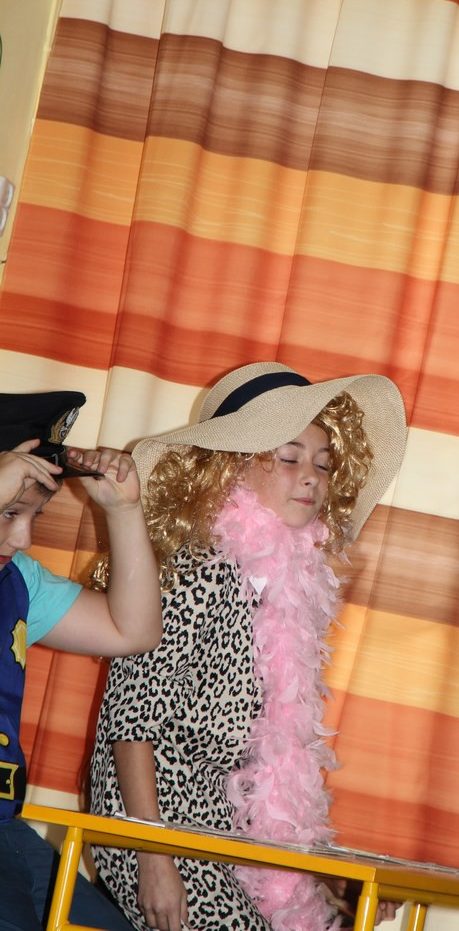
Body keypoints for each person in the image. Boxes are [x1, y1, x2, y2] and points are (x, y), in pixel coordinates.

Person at [89, 362, 407, 931]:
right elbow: (129, 720)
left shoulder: (288, 595)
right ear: (230, 468)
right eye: (288, 458)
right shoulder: (193, 570)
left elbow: (271, 764)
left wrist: (323, 876)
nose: (311, 478)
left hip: (224, 827)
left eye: (323, 464)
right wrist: (153, 859)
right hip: (152, 821)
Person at [0, 390, 163, 931]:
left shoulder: (17, 580)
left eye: (34, 516)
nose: (23, 537)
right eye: (9, 512)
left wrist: (124, 511)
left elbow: (132, 631)